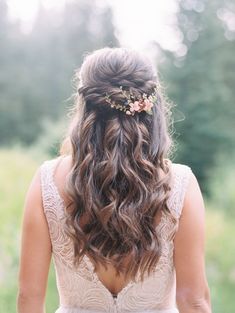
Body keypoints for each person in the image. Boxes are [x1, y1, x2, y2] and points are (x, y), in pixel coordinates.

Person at [17, 47, 211, 313]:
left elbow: (29, 298)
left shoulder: (47, 181)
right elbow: (193, 301)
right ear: (152, 106)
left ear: (84, 105)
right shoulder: (181, 184)